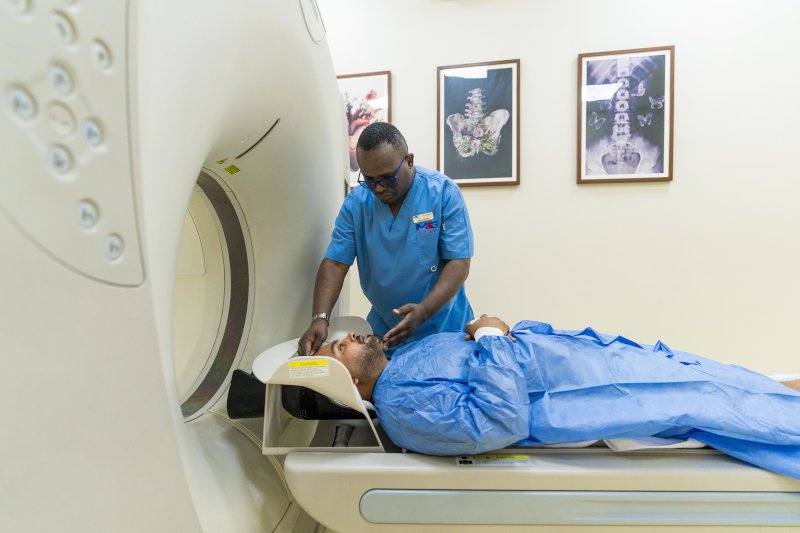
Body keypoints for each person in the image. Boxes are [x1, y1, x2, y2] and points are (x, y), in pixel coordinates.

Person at [313, 315, 800, 480]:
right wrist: (489, 337)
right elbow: (500, 419)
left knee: (708, 375)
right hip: (583, 396)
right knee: (711, 403)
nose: (351, 338)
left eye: (345, 338)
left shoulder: (404, 363)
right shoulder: (402, 410)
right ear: (352, 386)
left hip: (585, 365)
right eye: (341, 347)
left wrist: (492, 335)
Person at [299, 123, 474, 356]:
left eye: (387, 178)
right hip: (386, 331)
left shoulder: (442, 192)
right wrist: (320, 318)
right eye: (370, 180)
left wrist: (423, 310)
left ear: (409, 160)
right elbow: (335, 263)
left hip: (444, 328)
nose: (379, 188)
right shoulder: (357, 204)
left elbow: (459, 263)